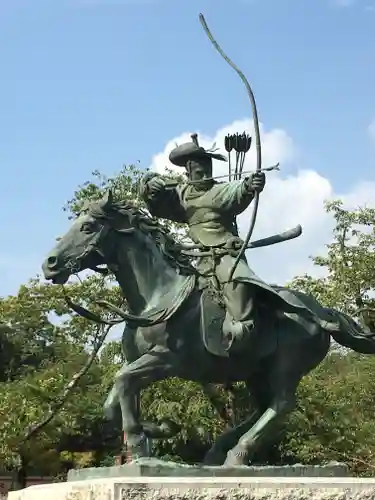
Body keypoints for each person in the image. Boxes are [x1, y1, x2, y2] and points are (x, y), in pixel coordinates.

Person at [139, 134, 332, 356]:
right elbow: (156, 202)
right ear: (189, 172)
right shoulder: (182, 196)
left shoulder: (219, 191)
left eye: (207, 171)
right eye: (199, 172)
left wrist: (250, 185)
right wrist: (150, 184)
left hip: (226, 258)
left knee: (239, 289)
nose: (204, 175)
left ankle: (243, 342)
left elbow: (237, 192)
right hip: (199, 260)